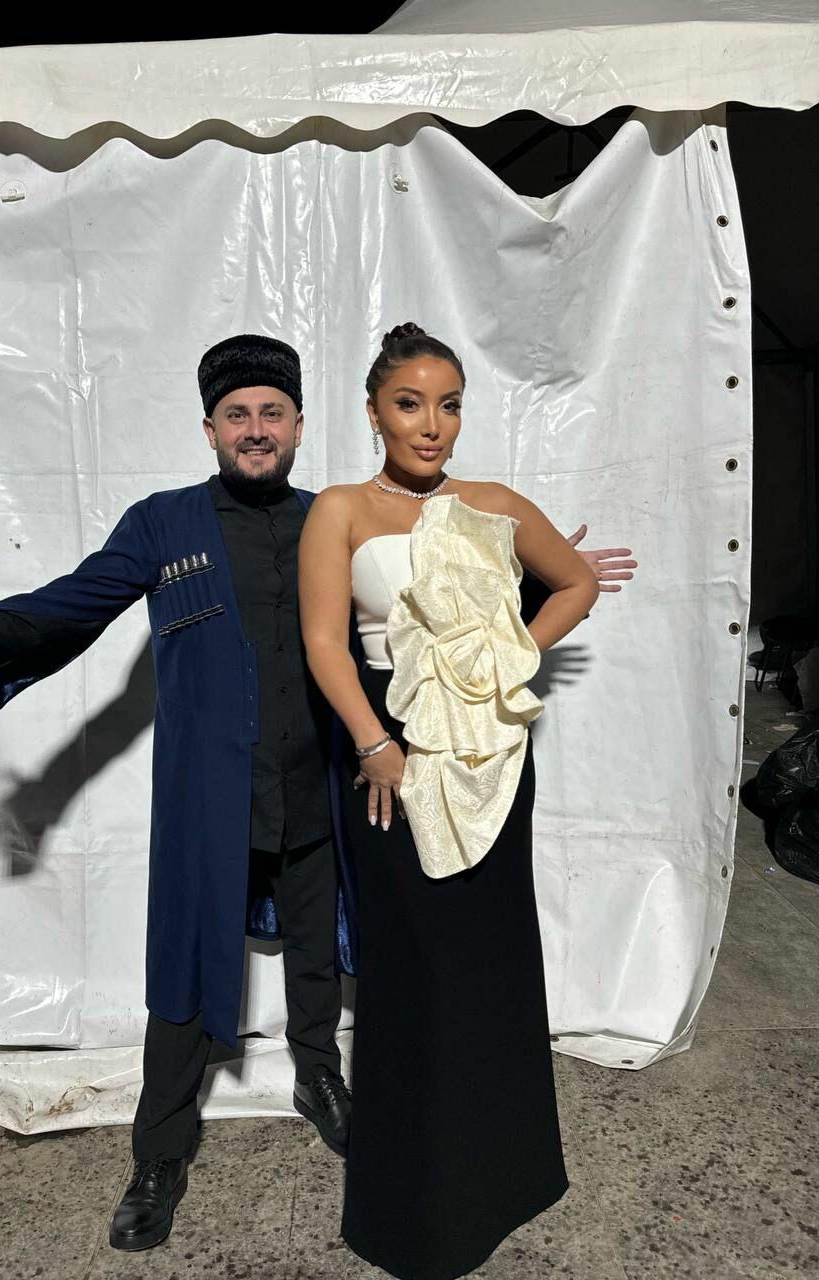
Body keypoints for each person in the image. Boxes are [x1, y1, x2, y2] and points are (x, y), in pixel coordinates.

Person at [0, 331, 632, 1264]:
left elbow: (423, 600)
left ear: (300, 426)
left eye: (273, 413)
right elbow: (69, 608)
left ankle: (319, 1079)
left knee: (319, 953)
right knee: (185, 969)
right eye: (238, 416)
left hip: (328, 784)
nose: (256, 429)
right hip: (209, 796)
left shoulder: (329, 518)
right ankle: (158, 1154)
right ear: (210, 429)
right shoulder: (163, 524)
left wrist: (518, 570)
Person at [298, 322, 604, 1280]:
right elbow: (324, 644)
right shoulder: (341, 509)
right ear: (374, 411)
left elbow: (577, 583)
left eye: (450, 404)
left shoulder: (494, 503)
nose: (432, 425)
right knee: (411, 967)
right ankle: (416, 1205)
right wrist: (374, 744)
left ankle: (510, 1173)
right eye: (410, 404)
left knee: (492, 956)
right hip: (389, 751)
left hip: (492, 754)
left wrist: (506, 656)